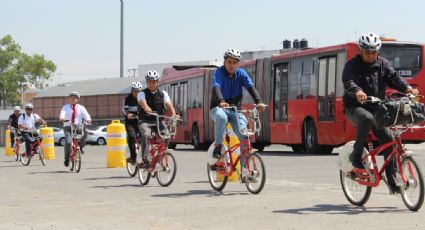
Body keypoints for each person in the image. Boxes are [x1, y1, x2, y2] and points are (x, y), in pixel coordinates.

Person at [342, 32, 419, 193]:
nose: (370, 55)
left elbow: (394, 78)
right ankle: (356, 155)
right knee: (366, 118)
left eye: (374, 52)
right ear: (361, 50)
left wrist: (407, 88)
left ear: (378, 51)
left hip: (377, 106)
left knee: (390, 141)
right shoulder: (352, 65)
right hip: (354, 107)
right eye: (367, 52)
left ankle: (393, 182)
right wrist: (357, 91)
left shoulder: (383, 64)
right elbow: (349, 81)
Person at [210, 48, 266, 173]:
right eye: (229, 62)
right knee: (222, 118)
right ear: (224, 62)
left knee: (244, 136)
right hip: (218, 108)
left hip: (235, 110)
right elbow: (216, 87)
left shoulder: (241, 73)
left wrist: (259, 101)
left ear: (238, 64)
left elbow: (250, 87)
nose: (232, 65)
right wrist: (221, 101)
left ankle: (244, 171)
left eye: (235, 63)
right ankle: (218, 147)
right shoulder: (218, 72)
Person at [138, 70, 178, 164]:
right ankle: (145, 159)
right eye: (150, 82)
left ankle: (161, 155)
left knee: (167, 135)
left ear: (157, 82)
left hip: (158, 121)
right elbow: (141, 101)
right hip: (145, 121)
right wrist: (146, 107)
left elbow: (168, 104)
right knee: (146, 135)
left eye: (154, 81)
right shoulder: (141, 93)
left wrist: (173, 114)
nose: (152, 84)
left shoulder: (163, 94)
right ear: (147, 82)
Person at [59, 92, 92, 167]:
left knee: (86, 131)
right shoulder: (65, 107)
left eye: (74, 98)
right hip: (68, 126)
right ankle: (66, 158)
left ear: (77, 99)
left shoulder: (81, 107)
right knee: (68, 142)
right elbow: (62, 114)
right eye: (71, 98)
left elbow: (86, 115)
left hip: (78, 126)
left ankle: (81, 147)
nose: (72, 99)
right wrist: (62, 118)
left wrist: (88, 120)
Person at [122, 81, 143, 163]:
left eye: (138, 91)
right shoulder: (128, 99)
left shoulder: (143, 98)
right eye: (135, 91)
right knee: (132, 137)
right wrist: (127, 114)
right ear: (132, 91)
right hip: (130, 123)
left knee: (146, 137)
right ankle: (133, 158)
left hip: (141, 122)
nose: (137, 93)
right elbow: (124, 109)